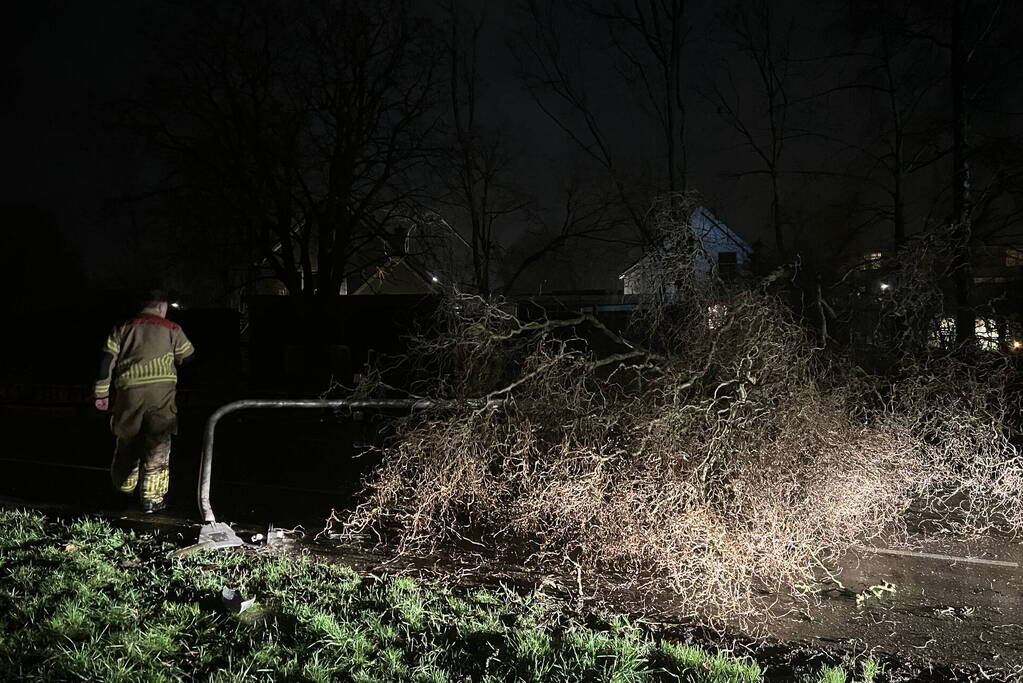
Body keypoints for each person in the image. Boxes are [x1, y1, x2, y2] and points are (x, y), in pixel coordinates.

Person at [94, 290, 194, 513]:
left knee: (127, 442)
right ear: (161, 306)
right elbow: (188, 357)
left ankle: (123, 491)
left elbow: (105, 361)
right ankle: (152, 499)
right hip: (161, 397)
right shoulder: (172, 329)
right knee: (158, 444)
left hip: (128, 396)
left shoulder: (122, 328)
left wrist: (101, 394)